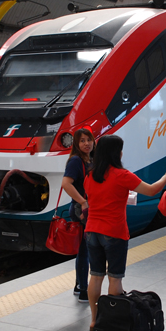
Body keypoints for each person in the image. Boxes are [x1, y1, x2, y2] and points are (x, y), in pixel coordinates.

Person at [84, 135, 166, 330]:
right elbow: (151, 191)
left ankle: (94, 319)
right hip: (113, 232)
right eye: (120, 149)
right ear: (116, 153)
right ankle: (112, 321)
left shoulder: (90, 176)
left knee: (96, 276)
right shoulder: (121, 175)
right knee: (115, 278)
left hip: (91, 231)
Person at [61, 128, 94, 302]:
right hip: (80, 210)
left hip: (86, 209)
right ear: (76, 143)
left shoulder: (90, 159)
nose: (86, 144)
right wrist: (83, 202)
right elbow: (66, 184)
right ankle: (83, 290)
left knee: (83, 249)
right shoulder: (76, 161)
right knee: (84, 250)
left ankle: (78, 285)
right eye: (82, 141)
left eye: (89, 140)